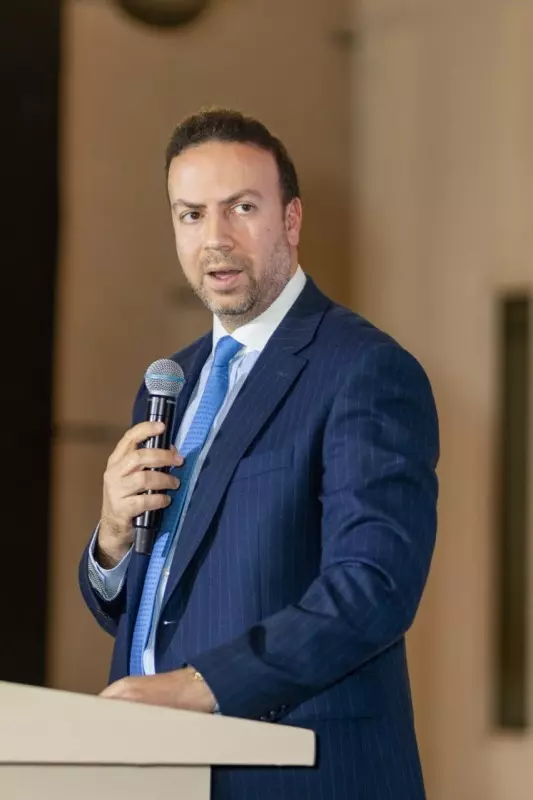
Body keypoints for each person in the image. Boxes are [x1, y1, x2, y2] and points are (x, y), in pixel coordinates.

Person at [79, 107, 439, 800]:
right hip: (158, 773)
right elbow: (154, 611)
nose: (215, 239)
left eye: (241, 208)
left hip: (301, 774)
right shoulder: (170, 385)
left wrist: (201, 686)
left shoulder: (363, 370)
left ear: (291, 220)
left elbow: (374, 588)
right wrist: (113, 539)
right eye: (191, 215)